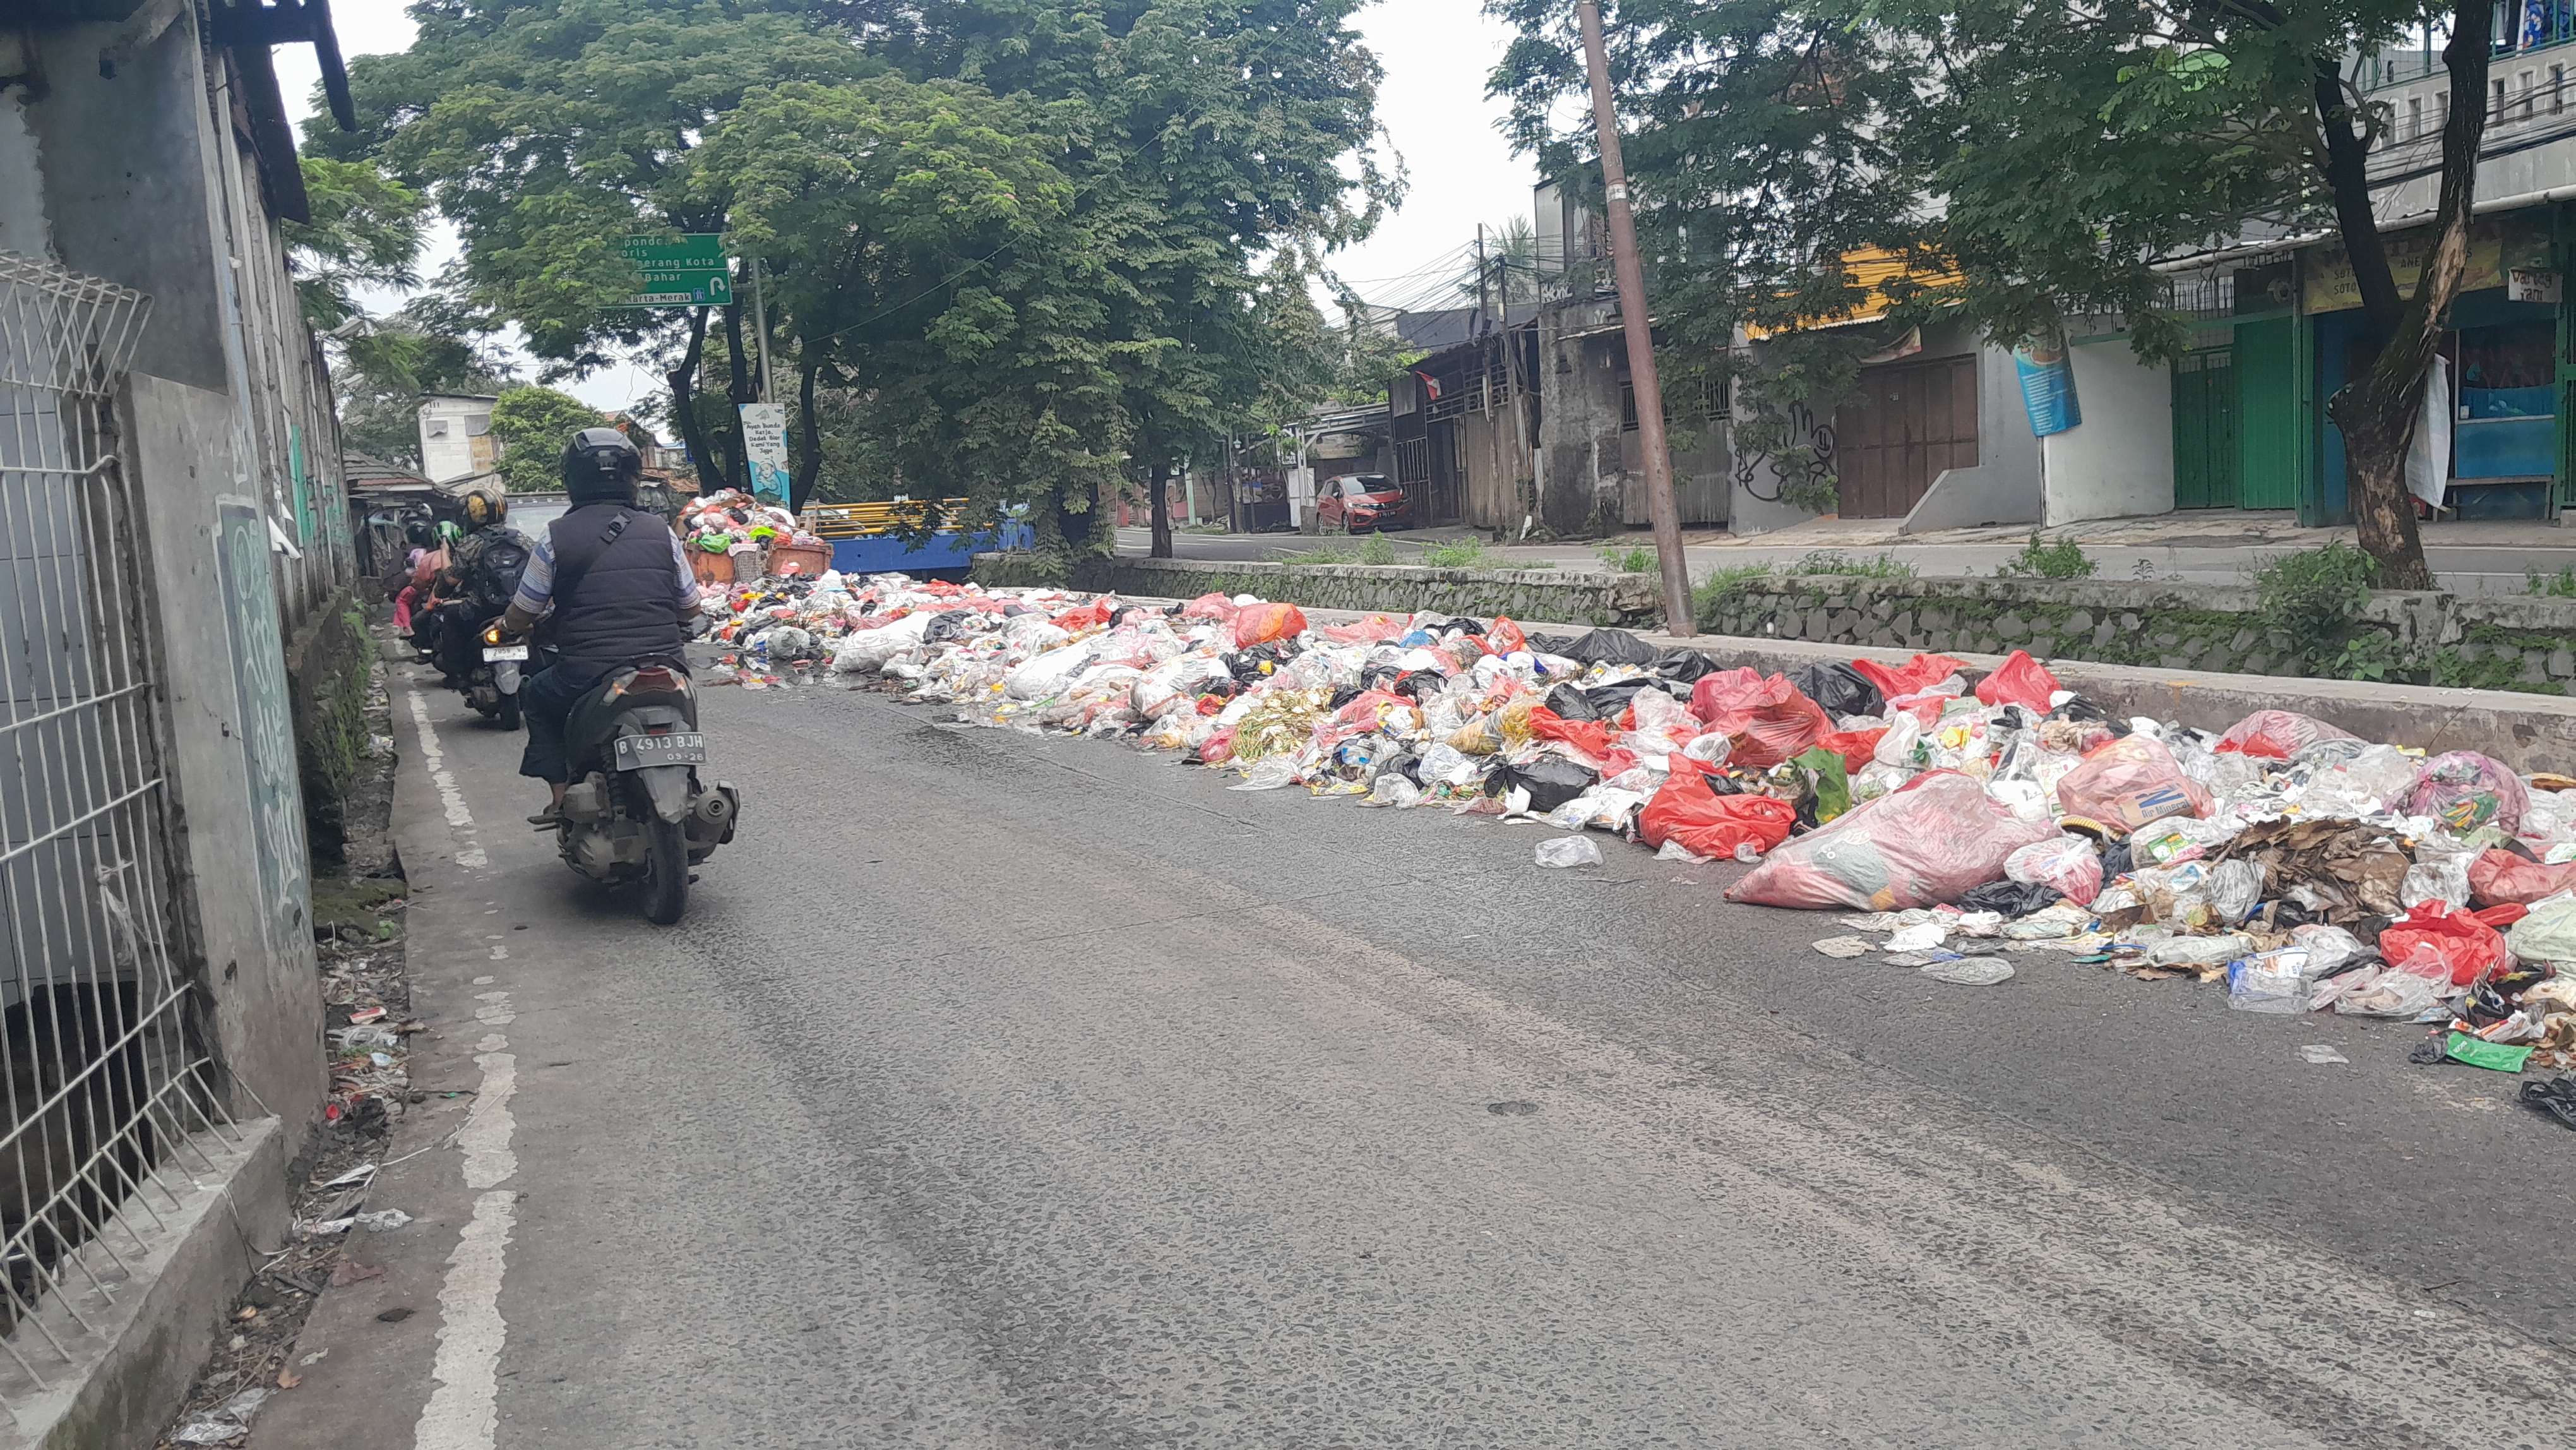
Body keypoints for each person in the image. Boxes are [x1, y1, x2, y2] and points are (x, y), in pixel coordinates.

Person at [498, 428, 703, 824]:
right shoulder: (660, 531)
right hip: (664, 664)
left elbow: (525, 609)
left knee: (537, 697)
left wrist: (509, 625)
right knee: (687, 702)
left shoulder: (556, 537)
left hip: (587, 672)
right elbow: (691, 607)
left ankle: (561, 799)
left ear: (573, 479)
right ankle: (690, 781)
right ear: (632, 478)